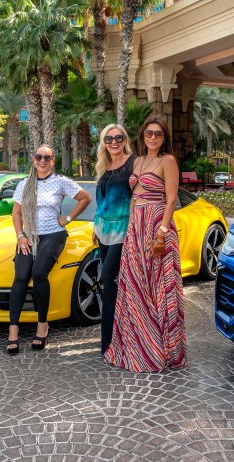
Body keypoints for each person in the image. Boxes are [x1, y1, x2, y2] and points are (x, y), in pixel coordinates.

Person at [105, 116, 187, 372]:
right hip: (136, 228)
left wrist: (161, 233)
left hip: (156, 226)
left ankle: (160, 350)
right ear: (142, 136)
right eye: (149, 133)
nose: (153, 137)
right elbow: (134, 197)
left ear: (164, 138)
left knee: (158, 287)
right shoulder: (138, 161)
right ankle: (137, 345)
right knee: (135, 285)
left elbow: (172, 199)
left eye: (158, 134)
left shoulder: (168, 161)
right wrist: (130, 227)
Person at [8, 144, 92, 354]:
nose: (43, 161)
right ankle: (13, 330)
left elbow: (85, 198)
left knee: (38, 273)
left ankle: (42, 325)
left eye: (47, 157)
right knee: (20, 276)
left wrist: (68, 218)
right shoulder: (24, 184)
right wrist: (20, 236)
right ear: (33, 160)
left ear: (53, 160)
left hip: (54, 234)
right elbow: (16, 214)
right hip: (29, 236)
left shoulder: (60, 181)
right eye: (39, 157)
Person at [93, 124, 136, 354]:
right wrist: (95, 225)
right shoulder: (103, 165)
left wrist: (134, 227)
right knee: (108, 281)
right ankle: (112, 336)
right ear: (103, 142)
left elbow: (137, 196)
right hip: (103, 229)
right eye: (109, 138)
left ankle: (109, 341)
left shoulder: (133, 162)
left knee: (108, 278)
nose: (114, 142)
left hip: (123, 228)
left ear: (125, 139)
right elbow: (101, 198)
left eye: (118, 137)